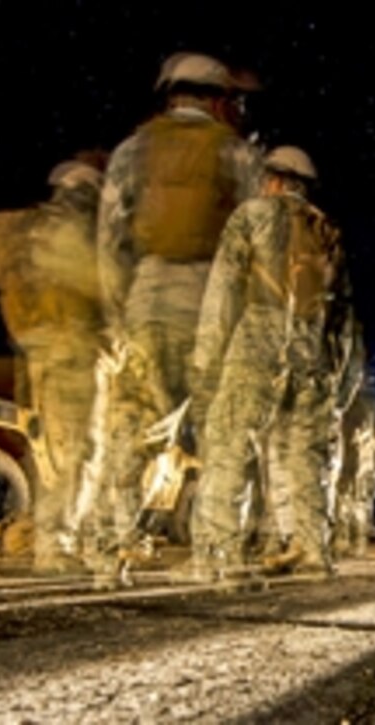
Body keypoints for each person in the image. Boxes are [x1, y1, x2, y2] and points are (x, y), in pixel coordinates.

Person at [86, 52, 263, 583]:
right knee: (224, 436)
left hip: (147, 303)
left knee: (133, 431)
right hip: (213, 309)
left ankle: (109, 552)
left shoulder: (131, 152)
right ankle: (216, 558)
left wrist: (116, 314)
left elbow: (109, 240)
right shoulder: (235, 153)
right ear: (216, 99)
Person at [175, 145, 350, 581]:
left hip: (259, 335)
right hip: (312, 352)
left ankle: (218, 555)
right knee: (302, 456)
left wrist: (207, 358)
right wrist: (338, 375)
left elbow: (223, 290)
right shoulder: (327, 228)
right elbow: (343, 316)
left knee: (230, 442)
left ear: (271, 179)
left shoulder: (251, 215)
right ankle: (312, 552)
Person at [0, 151, 108, 573]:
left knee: (58, 453)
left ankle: (54, 538)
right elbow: (100, 290)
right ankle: (55, 545)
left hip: (44, 354)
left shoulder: (30, 232)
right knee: (79, 452)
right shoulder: (74, 230)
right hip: (74, 353)